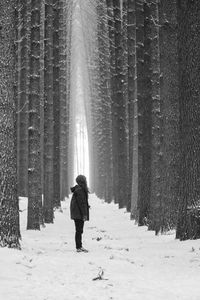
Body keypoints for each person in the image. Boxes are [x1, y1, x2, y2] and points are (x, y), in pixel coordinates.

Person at [70, 175, 90, 252]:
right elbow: (81, 203)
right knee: (79, 230)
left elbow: (82, 202)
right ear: (82, 181)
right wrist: (84, 214)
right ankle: (79, 247)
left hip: (77, 213)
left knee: (79, 230)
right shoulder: (80, 190)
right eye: (85, 180)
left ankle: (79, 246)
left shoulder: (78, 189)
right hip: (78, 214)